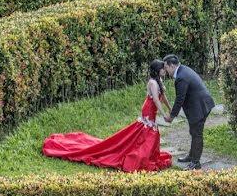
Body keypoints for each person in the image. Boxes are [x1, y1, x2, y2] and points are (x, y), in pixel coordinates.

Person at [42, 60, 173, 172]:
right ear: (157, 70)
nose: (164, 70)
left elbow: (163, 97)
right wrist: (164, 115)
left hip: (152, 110)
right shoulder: (152, 83)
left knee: (147, 132)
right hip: (149, 109)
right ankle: (139, 154)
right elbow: (156, 100)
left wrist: (170, 109)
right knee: (147, 132)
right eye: (162, 69)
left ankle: (144, 153)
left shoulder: (159, 80)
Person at [163, 54, 215, 170]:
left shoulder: (181, 77)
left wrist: (172, 116)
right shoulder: (183, 70)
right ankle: (192, 156)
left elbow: (180, 99)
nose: (165, 71)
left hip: (200, 107)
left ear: (171, 66)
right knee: (193, 131)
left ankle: (196, 163)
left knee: (197, 134)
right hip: (199, 104)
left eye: (166, 67)